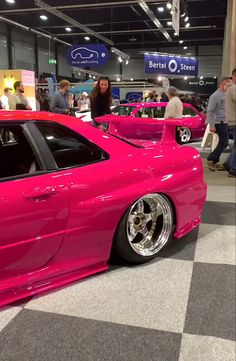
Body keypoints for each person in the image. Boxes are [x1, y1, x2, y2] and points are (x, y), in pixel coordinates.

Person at [206, 76, 231, 171]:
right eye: (227, 83)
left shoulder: (227, 95)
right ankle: (211, 158)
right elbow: (210, 111)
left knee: (222, 142)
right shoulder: (215, 96)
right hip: (218, 122)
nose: (228, 85)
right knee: (224, 142)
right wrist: (211, 125)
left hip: (225, 122)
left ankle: (214, 161)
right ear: (222, 83)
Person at [224, 68, 236, 177]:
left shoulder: (230, 88)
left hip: (232, 119)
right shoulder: (233, 88)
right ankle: (233, 168)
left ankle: (228, 163)